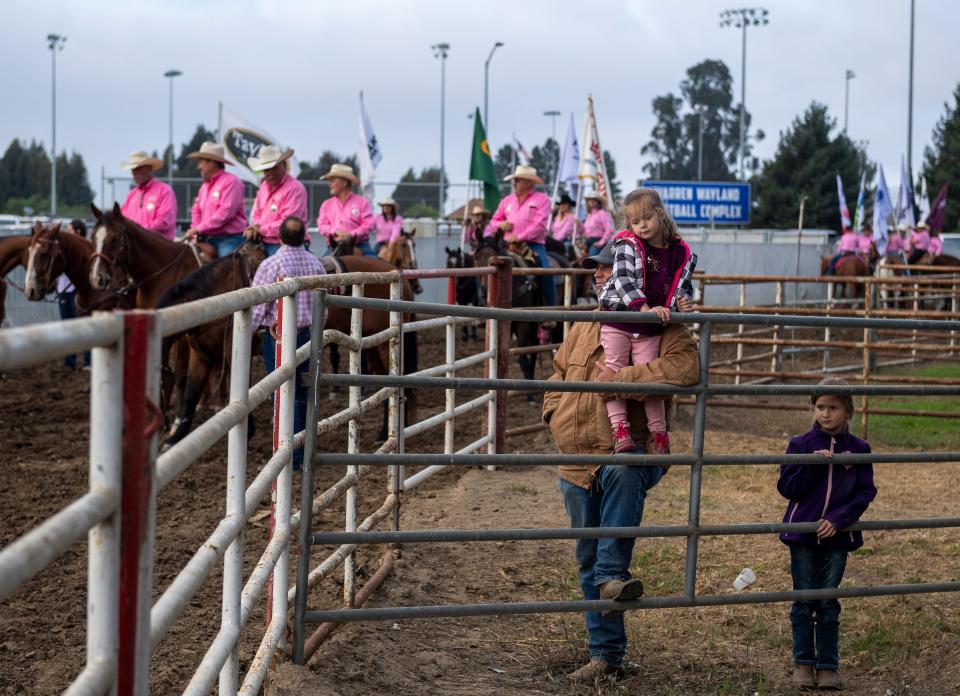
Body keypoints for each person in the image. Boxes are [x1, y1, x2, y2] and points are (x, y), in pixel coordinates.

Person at [543, 244, 700, 683]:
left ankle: (613, 593)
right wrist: (553, 411)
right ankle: (605, 655)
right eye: (596, 269)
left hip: (631, 449)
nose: (599, 276)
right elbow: (557, 373)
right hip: (576, 457)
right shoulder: (583, 326)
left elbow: (686, 370)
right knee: (587, 556)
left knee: (624, 473)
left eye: (609, 268)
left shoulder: (663, 322)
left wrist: (619, 380)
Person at [777, 377, 876, 690]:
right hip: (803, 534)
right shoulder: (800, 445)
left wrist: (840, 518)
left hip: (838, 535)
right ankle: (803, 663)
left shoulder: (859, 449)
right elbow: (787, 487)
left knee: (828, 600)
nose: (825, 413)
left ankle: (828, 666)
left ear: (848, 411)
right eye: (820, 407)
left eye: (833, 407)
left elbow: (865, 492)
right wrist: (811, 465)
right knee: (804, 598)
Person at [595, 188, 696, 455]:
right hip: (620, 318)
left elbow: (680, 284)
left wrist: (682, 300)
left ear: (660, 214)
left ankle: (659, 433)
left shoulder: (678, 251)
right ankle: (620, 429)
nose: (642, 226)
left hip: (650, 324)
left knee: (649, 380)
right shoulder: (626, 246)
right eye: (635, 222)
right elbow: (624, 280)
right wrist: (644, 308)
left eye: (647, 218)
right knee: (612, 371)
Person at [250, 216, 325, 470]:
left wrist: (247, 331)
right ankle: (301, 452)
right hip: (308, 334)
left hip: (279, 335)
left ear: (279, 237)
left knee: (281, 391)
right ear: (304, 236)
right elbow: (323, 306)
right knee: (303, 392)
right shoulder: (316, 264)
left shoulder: (271, 264)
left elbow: (258, 306)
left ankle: (285, 453)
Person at [484, 165, 556, 307]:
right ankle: (484, 306)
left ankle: (550, 310)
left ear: (529, 182)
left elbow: (540, 225)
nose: (514, 182)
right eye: (515, 180)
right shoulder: (507, 201)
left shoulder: (542, 199)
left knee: (546, 271)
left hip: (533, 245)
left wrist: (520, 237)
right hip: (507, 245)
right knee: (485, 267)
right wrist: (501, 225)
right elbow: (493, 221)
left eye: (518, 180)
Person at [183, 142, 248, 257]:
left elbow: (226, 213)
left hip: (230, 238)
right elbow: (196, 210)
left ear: (212, 163)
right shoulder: (205, 186)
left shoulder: (232, 182)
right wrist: (195, 231)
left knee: (225, 269)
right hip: (208, 238)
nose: (198, 167)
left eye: (201, 162)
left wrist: (198, 228)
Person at [246, 145, 308, 256]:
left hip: (288, 243)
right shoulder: (264, 186)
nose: (270, 173)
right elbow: (256, 213)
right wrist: (256, 227)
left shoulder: (295, 188)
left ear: (283, 165)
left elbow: (288, 224)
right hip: (264, 240)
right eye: (266, 170)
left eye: (274, 168)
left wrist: (260, 229)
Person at [316, 163, 375, 256]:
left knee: (374, 266)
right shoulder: (326, 204)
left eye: (332, 181)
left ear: (344, 183)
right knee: (322, 268)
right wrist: (335, 231)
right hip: (335, 245)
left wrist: (352, 235)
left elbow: (369, 224)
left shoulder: (362, 202)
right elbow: (321, 225)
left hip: (360, 244)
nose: (329, 184)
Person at [119, 151, 177, 240]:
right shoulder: (131, 195)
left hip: (159, 246)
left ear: (150, 168)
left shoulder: (165, 191)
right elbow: (121, 219)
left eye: (138, 168)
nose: (134, 173)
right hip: (137, 245)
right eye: (133, 170)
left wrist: (137, 231)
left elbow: (164, 222)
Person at [57, 219, 91, 370]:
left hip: (76, 290)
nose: (67, 232)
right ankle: (69, 361)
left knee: (83, 326)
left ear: (77, 232)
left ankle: (88, 360)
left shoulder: (86, 248)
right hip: (63, 289)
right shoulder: (65, 248)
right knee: (67, 327)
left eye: (69, 229)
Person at [583, 192, 615, 256]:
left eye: (594, 199)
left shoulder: (603, 213)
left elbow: (609, 229)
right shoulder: (589, 214)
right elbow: (585, 229)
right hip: (588, 240)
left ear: (598, 201)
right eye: (590, 199)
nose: (591, 201)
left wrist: (601, 242)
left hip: (598, 240)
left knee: (592, 256)